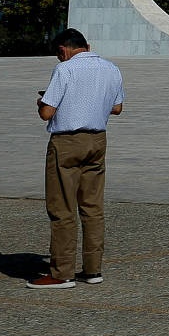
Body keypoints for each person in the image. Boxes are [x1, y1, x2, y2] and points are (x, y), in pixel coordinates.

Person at [30, 27, 124, 290]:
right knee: (92, 207)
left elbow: (47, 113)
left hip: (67, 142)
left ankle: (62, 272)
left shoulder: (65, 69)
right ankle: (93, 269)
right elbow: (117, 108)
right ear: (87, 46)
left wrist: (42, 102)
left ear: (63, 50)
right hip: (97, 140)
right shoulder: (111, 68)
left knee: (62, 209)